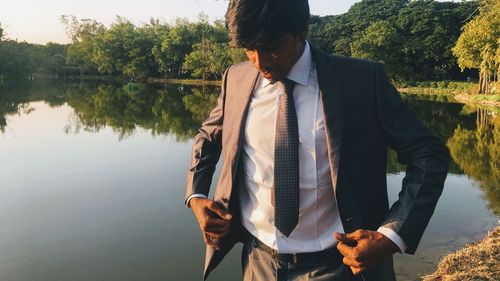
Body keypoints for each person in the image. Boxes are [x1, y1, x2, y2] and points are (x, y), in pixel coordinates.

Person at [185, 0, 450, 280]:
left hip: (340, 266)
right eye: (250, 49)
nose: (260, 63)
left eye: (272, 47)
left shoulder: (361, 81)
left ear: (301, 31)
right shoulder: (236, 79)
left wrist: (391, 234)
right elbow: (208, 136)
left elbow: (428, 154)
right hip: (258, 262)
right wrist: (197, 195)